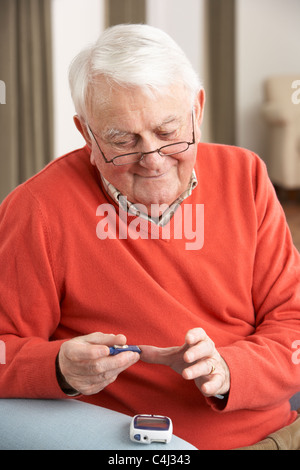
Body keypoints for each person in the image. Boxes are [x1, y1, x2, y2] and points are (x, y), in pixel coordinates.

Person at [0, 24, 300, 450]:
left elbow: (292, 321)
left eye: (168, 133)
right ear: (87, 134)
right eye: (123, 141)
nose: (152, 161)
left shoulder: (245, 175)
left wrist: (230, 369)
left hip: (280, 434)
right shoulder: (38, 208)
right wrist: (59, 367)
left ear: (197, 110)